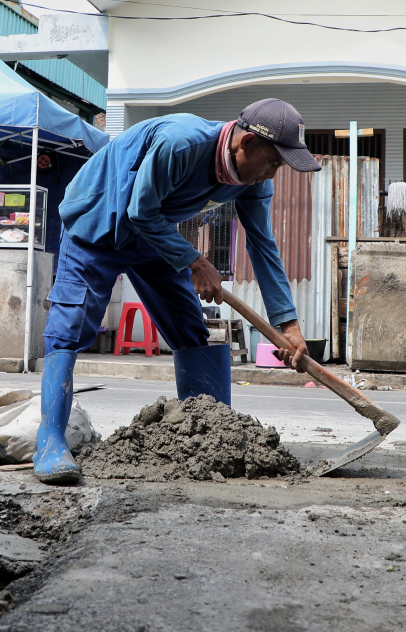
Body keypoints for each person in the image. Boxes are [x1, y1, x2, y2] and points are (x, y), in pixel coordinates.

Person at [34, 98, 322, 484]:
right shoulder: (182, 142)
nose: (273, 173)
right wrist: (196, 261)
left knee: (189, 327)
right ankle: (50, 439)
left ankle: (211, 433)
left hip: (152, 233)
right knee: (70, 325)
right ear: (247, 144)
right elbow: (140, 210)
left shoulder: (251, 184)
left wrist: (288, 325)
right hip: (98, 220)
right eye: (274, 161)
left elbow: (262, 246)